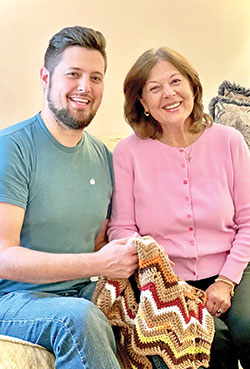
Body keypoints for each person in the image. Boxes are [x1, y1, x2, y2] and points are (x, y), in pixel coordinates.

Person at [0, 25, 139, 369]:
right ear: (46, 77)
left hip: (81, 292)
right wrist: (97, 264)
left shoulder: (105, 156)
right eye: (73, 74)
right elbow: (3, 256)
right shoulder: (12, 148)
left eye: (96, 77)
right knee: (79, 318)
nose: (85, 88)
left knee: (157, 314)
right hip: (13, 297)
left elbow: (99, 241)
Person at [107, 47, 250, 369]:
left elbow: (249, 221)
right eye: (154, 88)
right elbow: (122, 229)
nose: (168, 94)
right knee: (213, 344)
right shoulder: (128, 153)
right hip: (166, 280)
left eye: (175, 81)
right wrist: (165, 283)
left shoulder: (229, 141)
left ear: (192, 87)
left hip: (234, 269)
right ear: (141, 101)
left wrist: (226, 281)